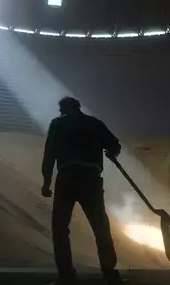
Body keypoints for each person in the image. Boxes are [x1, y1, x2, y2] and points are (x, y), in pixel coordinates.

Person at [41, 97, 122, 285]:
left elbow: (49, 154)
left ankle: (66, 274)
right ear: (78, 108)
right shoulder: (94, 123)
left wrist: (46, 182)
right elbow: (115, 146)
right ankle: (109, 273)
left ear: (62, 110)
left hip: (67, 179)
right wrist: (111, 152)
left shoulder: (57, 124)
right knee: (100, 226)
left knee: (60, 228)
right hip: (90, 179)